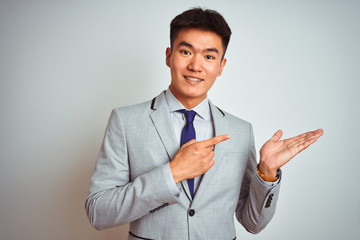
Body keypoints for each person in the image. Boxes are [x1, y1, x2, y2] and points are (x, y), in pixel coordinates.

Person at [85, 8, 323, 240]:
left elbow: (253, 223)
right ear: (169, 56)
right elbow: (98, 212)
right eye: (186, 52)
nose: (196, 66)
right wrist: (172, 173)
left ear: (221, 66)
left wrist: (267, 173)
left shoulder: (240, 131)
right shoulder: (125, 121)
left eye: (209, 56)